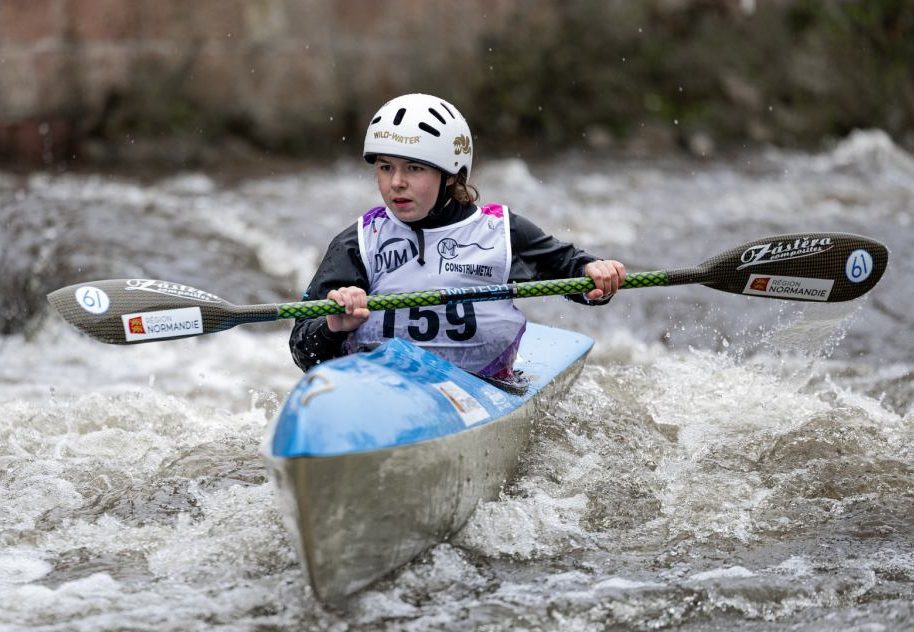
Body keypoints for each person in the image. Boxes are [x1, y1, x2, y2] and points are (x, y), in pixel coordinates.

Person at [289, 93, 625, 378]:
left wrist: (595, 274)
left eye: (414, 168)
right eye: (385, 167)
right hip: (382, 390)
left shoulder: (500, 232)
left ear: (452, 175)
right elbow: (303, 352)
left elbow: (574, 274)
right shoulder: (358, 243)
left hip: (483, 385)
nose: (396, 183)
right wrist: (333, 326)